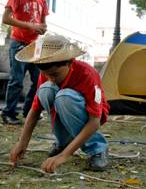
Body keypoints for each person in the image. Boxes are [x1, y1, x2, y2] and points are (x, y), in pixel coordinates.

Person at [9, 33, 110, 173]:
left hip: (89, 116)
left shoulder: (87, 74)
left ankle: (98, 148)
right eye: (46, 74)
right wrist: (22, 143)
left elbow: (95, 121)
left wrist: (64, 156)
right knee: (45, 91)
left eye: (55, 74)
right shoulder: (48, 76)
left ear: (70, 62)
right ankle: (63, 142)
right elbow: (34, 110)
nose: (51, 78)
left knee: (64, 97)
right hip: (65, 109)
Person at [1, 0, 51, 124]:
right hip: (19, 42)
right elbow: (5, 18)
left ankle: (29, 110)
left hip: (35, 45)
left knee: (38, 80)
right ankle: (8, 112)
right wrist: (30, 25)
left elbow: (42, 23)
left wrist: (42, 29)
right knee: (17, 79)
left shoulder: (42, 1)